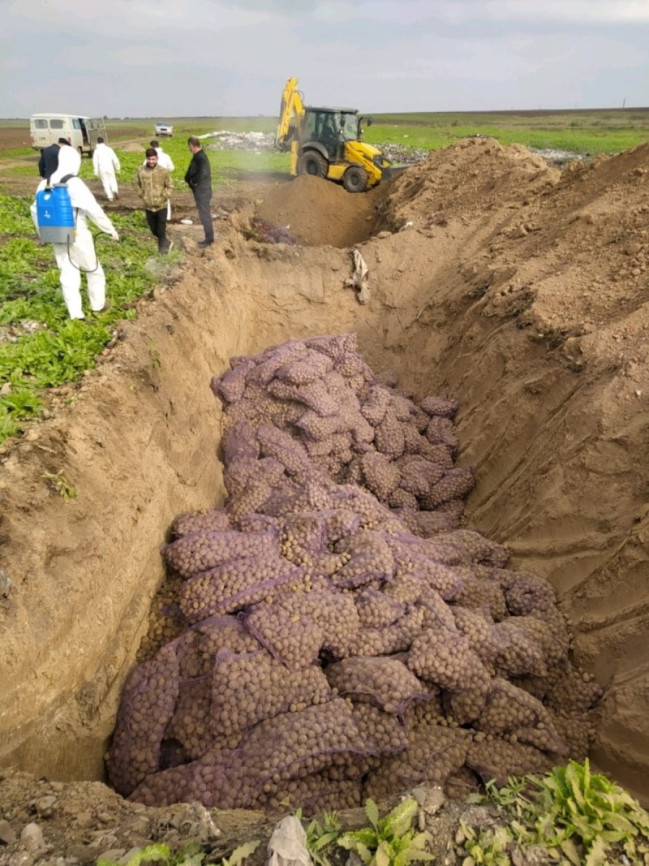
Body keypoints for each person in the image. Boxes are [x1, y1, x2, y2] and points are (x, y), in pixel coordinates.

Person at [31, 145, 119, 321]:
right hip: (78, 234)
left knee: (68, 273)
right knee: (93, 269)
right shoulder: (73, 182)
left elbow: (34, 209)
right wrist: (110, 230)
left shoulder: (44, 183)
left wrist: (43, 232)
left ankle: (76, 315)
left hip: (56, 234)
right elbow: (93, 209)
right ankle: (98, 306)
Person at [134, 148, 173, 255]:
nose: (151, 161)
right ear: (146, 159)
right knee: (154, 230)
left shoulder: (163, 171)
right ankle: (167, 242)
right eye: (149, 159)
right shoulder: (140, 171)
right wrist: (142, 195)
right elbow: (136, 184)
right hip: (148, 206)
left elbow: (170, 186)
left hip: (161, 206)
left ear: (157, 159)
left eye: (153, 159)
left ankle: (162, 252)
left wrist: (164, 196)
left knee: (161, 230)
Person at [184, 136, 213, 247]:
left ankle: (209, 239)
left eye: (188, 146)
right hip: (202, 190)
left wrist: (194, 182)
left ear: (191, 145)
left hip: (202, 191)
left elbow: (203, 173)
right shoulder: (199, 156)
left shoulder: (200, 157)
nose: (188, 148)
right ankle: (208, 238)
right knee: (204, 214)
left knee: (205, 215)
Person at [92, 136, 121, 201]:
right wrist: (117, 168)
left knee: (105, 182)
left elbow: (95, 161)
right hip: (110, 167)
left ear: (97, 142)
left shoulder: (96, 151)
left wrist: (95, 171)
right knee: (112, 179)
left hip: (102, 168)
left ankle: (110, 197)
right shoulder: (109, 149)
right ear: (103, 142)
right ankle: (114, 190)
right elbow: (115, 158)